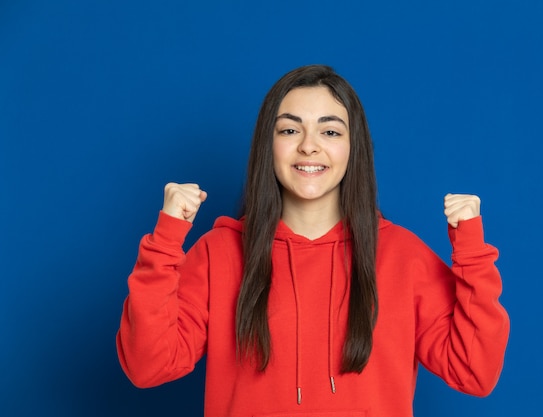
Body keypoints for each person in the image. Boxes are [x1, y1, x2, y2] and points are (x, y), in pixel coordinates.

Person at [116, 64, 510, 416]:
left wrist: (472, 253)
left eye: (330, 130)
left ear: (352, 148)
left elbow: (473, 372)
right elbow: (148, 365)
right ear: (267, 146)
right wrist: (166, 242)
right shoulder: (218, 253)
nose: (309, 145)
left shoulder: (403, 256)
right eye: (290, 129)